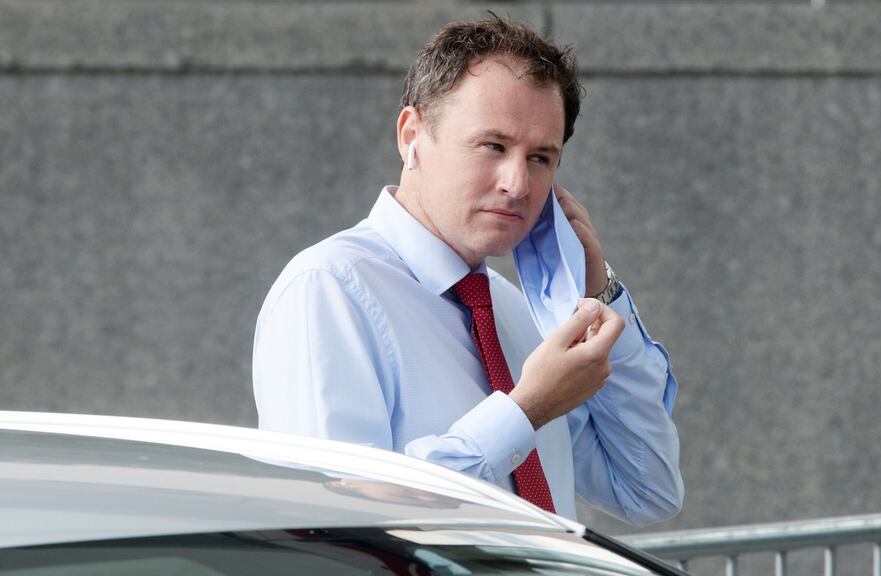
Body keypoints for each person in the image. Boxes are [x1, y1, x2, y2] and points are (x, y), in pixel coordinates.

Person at [253, 14, 683, 526]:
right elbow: (337, 522)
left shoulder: (512, 311)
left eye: (541, 157)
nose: (518, 184)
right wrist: (524, 411)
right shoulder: (327, 289)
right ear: (411, 134)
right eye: (493, 146)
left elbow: (648, 490)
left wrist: (599, 294)